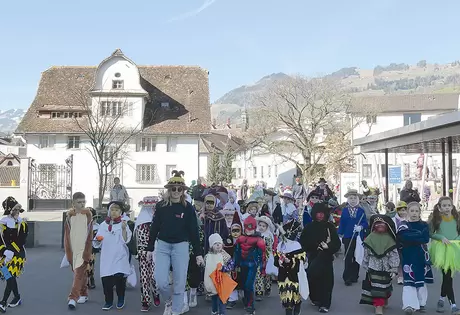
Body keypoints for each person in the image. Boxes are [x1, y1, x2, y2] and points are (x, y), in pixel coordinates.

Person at [146, 170, 203, 315]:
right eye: (173, 189)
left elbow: (194, 232)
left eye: (179, 189)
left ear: (183, 191)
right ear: (169, 190)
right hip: (163, 246)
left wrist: (198, 253)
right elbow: (154, 227)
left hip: (181, 246)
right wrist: (150, 247)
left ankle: (176, 310)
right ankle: (169, 302)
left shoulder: (188, 208)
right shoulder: (161, 206)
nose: (176, 191)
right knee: (161, 282)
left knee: (179, 282)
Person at [300, 202, 341, 313]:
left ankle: (325, 304)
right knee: (312, 279)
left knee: (326, 282)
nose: (320, 215)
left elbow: (337, 243)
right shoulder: (309, 227)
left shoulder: (330, 227)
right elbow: (303, 242)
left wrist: (328, 246)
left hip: (326, 258)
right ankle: (315, 298)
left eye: (322, 213)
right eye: (318, 213)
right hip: (313, 257)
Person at [94, 201, 132, 310]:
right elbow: (97, 240)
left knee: (119, 279)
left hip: (120, 256)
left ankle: (121, 298)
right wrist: (97, 239)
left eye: (116, 210)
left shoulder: (123, 224)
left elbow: (126, 240)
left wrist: (124, 229)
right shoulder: (103, 225)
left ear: (120, 212)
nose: (113, 212)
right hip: (107, 257)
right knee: (107, 281)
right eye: (112, 210)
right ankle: (108, 301)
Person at [359, 215, 400, 315]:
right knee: (376, 287)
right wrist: (366, 263)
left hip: (386, 267)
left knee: (386, 286)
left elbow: (394, 254)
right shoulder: (370, 238)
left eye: (382, 224)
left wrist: (394, 268)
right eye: (377, 224)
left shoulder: (390, 239)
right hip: (373, 266)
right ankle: (378, 306)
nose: (380, 226)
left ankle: (384, 299)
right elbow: (366, 252)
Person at [397, 202, 433, 314]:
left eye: (416, 211)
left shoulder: (424, 225)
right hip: (408, 255)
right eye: (412, 211)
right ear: (408, 212)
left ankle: (421, 303)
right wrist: (418, 235)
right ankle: (409, 305)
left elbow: (425, 238)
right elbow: (403, 237)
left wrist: (412, 235)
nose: (414, 213)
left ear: (419, 212)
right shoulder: (403, 224)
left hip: (421, 255)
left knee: (421, 281)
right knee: (409, 281)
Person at [428, 196, 460, 314]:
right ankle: (453, 305)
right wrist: (441, 237)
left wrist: (457, 239)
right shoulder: (437, 219)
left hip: (454, 248)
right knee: (447, 277)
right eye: (444, 206)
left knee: (448, 277)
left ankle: (441, 299)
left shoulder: (457, 218)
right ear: (440, 207)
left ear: (452, 206)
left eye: (449, 205)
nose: (447, 208)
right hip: (441, 249)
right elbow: (430, 233)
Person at [64, 192, 94, 310]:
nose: (82, 204)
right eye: (79, 202)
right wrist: (67, 249)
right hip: (73, 249)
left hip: (83, 250)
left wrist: (88, 249)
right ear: (73, 204)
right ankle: (84, 293)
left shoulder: (88, 216)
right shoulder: (70, 217)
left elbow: (89, 234)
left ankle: (73, 298)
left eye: (83, 202)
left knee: (78, 273)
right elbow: (67, 235)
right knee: (80, 274)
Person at [0, 197, 28, 312]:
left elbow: (22, 240)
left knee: (10, 277)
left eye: (18, 209)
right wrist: (4, 251)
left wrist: (12, 252)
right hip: (4, 255)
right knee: (9, 277)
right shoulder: (2, 223)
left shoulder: (22, 223)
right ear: (10, 210)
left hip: (18, 255)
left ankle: (3, 302)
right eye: (15, 209)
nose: (17, 212)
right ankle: (17, 297)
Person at [234, 216, 266, 315]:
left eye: (250, 228)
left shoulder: (259, 240)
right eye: (247, 228)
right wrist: (235, 264)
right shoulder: (240, 239)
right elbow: (237, 252)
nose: (248, 230)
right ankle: (247, 301)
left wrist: (262, 268)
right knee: (244, 284)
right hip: (243, 264)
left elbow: (262, 256)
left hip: (252, 265)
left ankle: (250, 306)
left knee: (249, 285)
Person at [134, 197, 160, 312]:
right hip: (143, 253)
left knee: (154, 277)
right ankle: (145, 301)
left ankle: (156, 293)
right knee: (144, 278)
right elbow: (137, 239)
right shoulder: (140, 221)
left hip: (155, 252)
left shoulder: (158, 220)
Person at [275, 219, 307, 315]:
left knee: (295, 293)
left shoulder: (296, 245)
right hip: (283, 274)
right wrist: (279, 260)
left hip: (294, 274)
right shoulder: (280, 245)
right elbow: (276, 258)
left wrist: (291, 260)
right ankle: (288, 309)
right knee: (285, 294)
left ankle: (297, 306)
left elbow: (301, 259)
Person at [338, 189, 368, 286]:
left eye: (355, 198)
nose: (353, 200)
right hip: (347, 236)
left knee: (357, 256)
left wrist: (361, 227)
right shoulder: (345, 211)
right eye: (351, 198)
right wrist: (340, 234)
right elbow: (342, 223)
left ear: (358, 199)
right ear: (347, 199)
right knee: (348, 256)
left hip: (358, 237)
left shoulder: (361, 211)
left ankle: (355, 275)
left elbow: (365, 223)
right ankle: (347, 277)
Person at [204, 233, 235, 315]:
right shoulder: (208, 256)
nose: (218, 245)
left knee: (222, 298)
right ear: (211, 246)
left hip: (223, 281)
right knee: (214, 297)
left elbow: (231, 265)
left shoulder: (225, 255)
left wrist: (224, 269)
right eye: (215, 244)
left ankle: (222, 312)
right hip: (213, 281)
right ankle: (214, 311)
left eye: (219, 243)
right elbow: (205, 267)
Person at [255, 216, 274, 300]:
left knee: (267, 274)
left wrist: (268, 257)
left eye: (264, 226)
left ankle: (267, 287)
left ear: (267, 227)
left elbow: (269, 247)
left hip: (266, 257)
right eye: (260, 225)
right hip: (257, 257)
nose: (261, 228)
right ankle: (259, 291)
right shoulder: (256, 235)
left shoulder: (268, 236)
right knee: (258, 273)